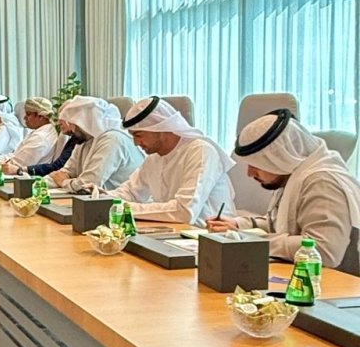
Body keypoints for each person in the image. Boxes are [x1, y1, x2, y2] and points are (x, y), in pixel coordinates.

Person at [207, 110, 360, 275]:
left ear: (280, 158)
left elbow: (323, 250)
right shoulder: (292, 177)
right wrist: (237, 225)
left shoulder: (322, 182)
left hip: (337, 284)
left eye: (256, 165)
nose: (250, 173)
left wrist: (249, 240)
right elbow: (279, 223)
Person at [106, 97, 235, 226]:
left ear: (159, 128)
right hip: (170, 232)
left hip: (204, 233)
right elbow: (130, 192)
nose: (135, 143)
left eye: (138, 135)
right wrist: (99, 198)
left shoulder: (200, 151)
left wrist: (125, 208)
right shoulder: (153, 159)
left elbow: (184, 211)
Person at [45, 96, 143, 192]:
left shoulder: (112, 139)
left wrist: (64, 182)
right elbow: (65, 172)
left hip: (118, 200)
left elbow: (88, 185)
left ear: (85, 121)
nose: (71, 129)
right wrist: (39, 183)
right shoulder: (84, 140)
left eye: (73, 124)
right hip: (94, 199)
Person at [0, 97, 65, 175]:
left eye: (28, 114)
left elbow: (17, 165)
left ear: (40, 116)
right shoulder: (41, 131)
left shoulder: (41, 137)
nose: (24, 117)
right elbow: (14, 155)